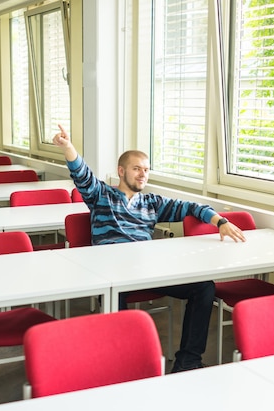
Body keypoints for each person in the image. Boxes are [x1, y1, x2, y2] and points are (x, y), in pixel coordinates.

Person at [53, 125, 246, 372]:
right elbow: (81, 174)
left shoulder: (153, 203)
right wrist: (68, 147)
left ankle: (188, 361)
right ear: (121, 171)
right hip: (112, 274)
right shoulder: (102, 195)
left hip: (146, 271)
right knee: (115, 294)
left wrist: (221, 221)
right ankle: (124, 366)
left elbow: (192, 207)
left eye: (146, 170)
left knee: (204, 287)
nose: (142, 174)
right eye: (136, 169)